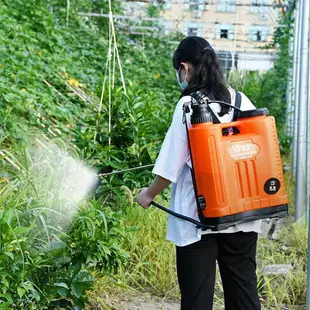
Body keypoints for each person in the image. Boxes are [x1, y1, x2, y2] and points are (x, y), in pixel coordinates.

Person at [136, 36, 261, 310]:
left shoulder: (189, 105)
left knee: (197, 299)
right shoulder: (241, 100)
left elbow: (170, 166)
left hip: (196, 219)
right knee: (244, 295)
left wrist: (148, 194)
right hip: (242, 214)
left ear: (185, 68)